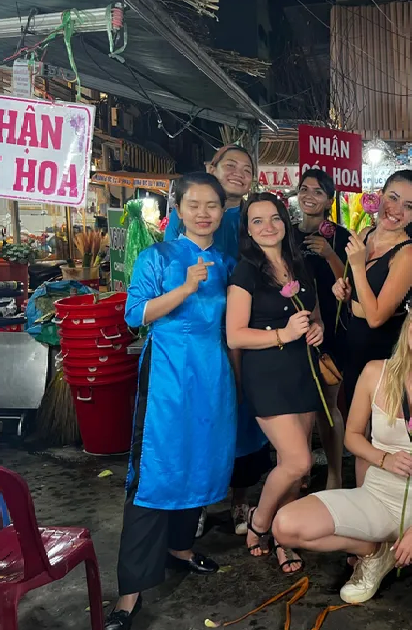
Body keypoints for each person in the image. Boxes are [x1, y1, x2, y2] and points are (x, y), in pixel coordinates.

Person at [272, 294, 412, 630]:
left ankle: (403, 543)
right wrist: (382, 458)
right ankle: (373, 550)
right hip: (377, 496)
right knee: (284, 525)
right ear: (407, 323)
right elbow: (353, 436)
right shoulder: (375, 372)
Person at [105, 173, 237, 630]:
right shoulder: (156, 256)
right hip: (167, 373)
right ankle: (130, 593)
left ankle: (180, 549)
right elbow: (134, 315)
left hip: (213, 374)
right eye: (193, 204)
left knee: (200, 461)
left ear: (223, 212)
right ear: (177, 209)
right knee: (155, 473)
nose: (203, 213)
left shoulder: (226, 261)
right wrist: (181, 289)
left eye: (212, 205)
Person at [164, 144, 269, 538]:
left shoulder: (256, 216)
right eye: (230, 165)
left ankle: (241, 498)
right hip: (200, 341)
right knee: (202, 420)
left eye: (247, 167)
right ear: (212, 168)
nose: (239, 172)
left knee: (245, 418)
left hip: (245, 334)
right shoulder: (187, 223)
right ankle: (200, 502)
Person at [226, 192, 324, 574]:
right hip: (266, 373)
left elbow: (312, 313)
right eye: (257, 221)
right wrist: (282, 334)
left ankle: (284, 537)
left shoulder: (299, 263)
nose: (268, 227)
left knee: (293, 468)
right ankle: (260, 521)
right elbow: (235, 335)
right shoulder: (245, 270)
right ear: (247, 230)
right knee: (299, 460)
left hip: (303, 369)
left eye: (274, 218)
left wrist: (314, 330)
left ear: (286, 221)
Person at [332, 170, 412, 484]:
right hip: (352, 347)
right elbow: (360, 298)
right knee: (356, 430)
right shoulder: (365, 235)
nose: (397, 210)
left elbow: (375, 316)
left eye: (409, 206)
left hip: (381, 353)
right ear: (380, 195)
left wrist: (358, 267)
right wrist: (343, 292)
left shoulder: (409, 253)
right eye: (393, 197)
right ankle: (363, 504)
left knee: (375, 436)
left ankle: (375, 504)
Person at [293, 169, 349, 489]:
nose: (309, 195)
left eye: (318, 191)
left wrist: (328, 253)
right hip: (295, 327)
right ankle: (300, 469)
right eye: (304, 189)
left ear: (329, 199)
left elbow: (350, 283)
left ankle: (335, 474)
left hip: (333, 329)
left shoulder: (340, 237)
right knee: (300, 404)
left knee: (328, 405)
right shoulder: (287, 233)